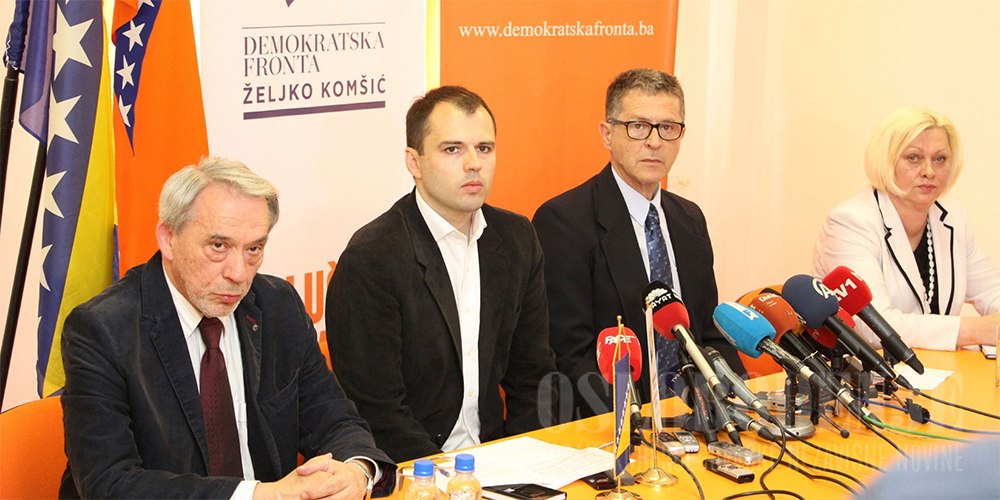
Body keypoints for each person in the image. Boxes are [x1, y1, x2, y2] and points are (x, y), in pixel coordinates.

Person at [60, 157, 394, 499]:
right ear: (169, 238)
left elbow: (334, 419)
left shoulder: (277, 306)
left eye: (254, 249)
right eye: (218, 246)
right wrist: (259, 496)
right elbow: (108, 484)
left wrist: (357, 470)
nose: (238, 273)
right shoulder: (103, 329)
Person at [326, 86, 558, 462]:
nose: (474, 164)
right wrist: (446, 478)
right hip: (413, 468)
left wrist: (528, 462)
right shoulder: (372, 257)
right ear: (414, 162)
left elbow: (533, 374)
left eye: (484, 148)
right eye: (453, 149)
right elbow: (376, 411)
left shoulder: (516, 238)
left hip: (499, 461)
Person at [532, 68, 745, 420]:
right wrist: (640, 419)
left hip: (697, 415)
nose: (654, 142)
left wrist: (735, 400)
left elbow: (707, 332)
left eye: (668, 127)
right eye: (638, 126)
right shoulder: (564, 220)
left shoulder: (689, 219)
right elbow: (569, 353)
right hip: (614, 419)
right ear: (607, 134)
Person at [814, 107, 1000, 351]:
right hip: (858, 369)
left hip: (936, 367)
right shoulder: (850, 222)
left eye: (940, 159)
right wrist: (978, 330)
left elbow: (992, 292)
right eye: (913, 157)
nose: (929, 171)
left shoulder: (952, 216)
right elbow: (873, 328)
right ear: (886, 161)